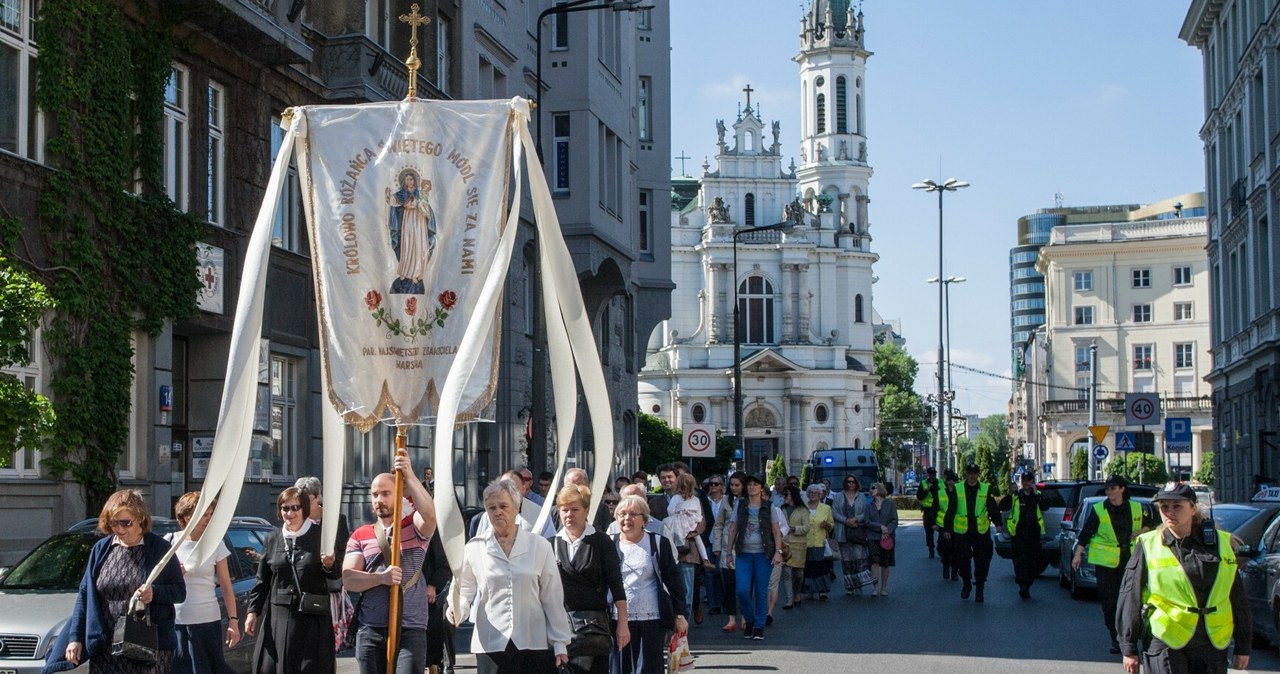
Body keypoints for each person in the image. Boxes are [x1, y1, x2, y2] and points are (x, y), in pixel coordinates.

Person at [1116, 482, 1252, 674]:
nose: (1169, 512)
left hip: (1211, 641)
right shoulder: (1147, 544)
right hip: (1166, 638)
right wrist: (1128, 646)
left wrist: (1243, 646)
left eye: (1177, 506)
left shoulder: (1221, 543)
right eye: (1164, 507)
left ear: (1193, 508)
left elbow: (1236, 597)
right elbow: (1130, 595)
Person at [50, 489, 186, 674]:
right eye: (114, 523)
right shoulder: (101, 549)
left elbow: (179, 591)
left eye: (126, 523)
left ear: (141, 518)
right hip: (105, 647)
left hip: (148, 647)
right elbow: (85, 595)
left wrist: (154, 593)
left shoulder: (159, 548)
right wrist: (75, 638)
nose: (120, 529)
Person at [448, 479, 572, 673]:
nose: (498, 512)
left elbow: (552, 597)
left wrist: (560, 642)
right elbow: (464, 590)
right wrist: (457, 609)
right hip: (491, 643)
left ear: (517, 507)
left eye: (503, 506)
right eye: (492, 507)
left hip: (533, 641)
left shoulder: (539, 546)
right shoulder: (474, 548)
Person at [342, 448, 438, 674]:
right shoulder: (361, 534)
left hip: (410, 626)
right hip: (371, 626)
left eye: (385, 493)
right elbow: (349, 578)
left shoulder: (414, 527)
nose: (379, 499)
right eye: (375, 494)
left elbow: (430, 516)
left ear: (399, 495)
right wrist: (381, 578)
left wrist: (410, 475)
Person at [246, 487, 340, 674]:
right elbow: (262, 580)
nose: (289, 513)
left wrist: (329, 565)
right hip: (279, 617)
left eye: (295, 508)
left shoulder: (321, 536)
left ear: (304, 509)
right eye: (284, 508)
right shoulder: (272, 538)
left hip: (311, 618)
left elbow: (335, 577)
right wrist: (252, 612)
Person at [1072, 474, 1155, 653]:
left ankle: (1132, 636)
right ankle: (1116, 637)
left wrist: (1141, 530)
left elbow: (1154, 526)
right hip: (1106, 565)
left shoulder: (1139, 508)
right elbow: (1086, 533)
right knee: (1110, 604)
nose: (1109, 491)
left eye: (1113, 488)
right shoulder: (1098, 509)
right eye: (1107, 488)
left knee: (1133, 602)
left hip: (1132, 562)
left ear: (1122, 489)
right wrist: (1078, 554)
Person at [553, 485, 629, 674]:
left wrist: (622, 624)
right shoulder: (550, 543)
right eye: (564, 510)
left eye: (575, 509)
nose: (569, 514)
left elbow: (617, 586)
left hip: (592, 629)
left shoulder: (602, 541)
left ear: (586, 511)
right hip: (559, 629)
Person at [609, 495, 687, 673]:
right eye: (622, 514)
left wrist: (680, 614)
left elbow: (674, 581)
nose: (627, 518)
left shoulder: (658, 543)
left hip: (651, 620)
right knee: (620, 668)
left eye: (633, 514)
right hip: (617, 620)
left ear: (644, 519)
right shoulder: (609, 544)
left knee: (648, 668)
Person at [169, 492, 240, 674]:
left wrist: (233, 621)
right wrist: (174, 573)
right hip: (176, 621)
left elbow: (225, 584)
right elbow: (157, 583)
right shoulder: (169, 542)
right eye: (204, 515)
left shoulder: (215, 544)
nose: (209, 519)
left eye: (211, 514)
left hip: (207, 621)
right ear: (187, 516)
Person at [724, 474, 785, 640]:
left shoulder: (769, 507)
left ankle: (759, 626)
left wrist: (778, 552)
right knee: (742, 590)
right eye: (749, 484)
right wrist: (729, 553)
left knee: (760, 591)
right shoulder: (740, 505)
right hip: (744, 553)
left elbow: (775, 530)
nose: (752, 487)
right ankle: (749, 619)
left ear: (761, 488)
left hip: (763, 554)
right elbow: (733, 529)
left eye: (755, 484)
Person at [943, 464, 1002, 603]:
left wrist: (998, 523)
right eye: (970, 473)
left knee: (981, 560)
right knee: (962, 559)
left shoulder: (985, 489)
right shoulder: (958, 489)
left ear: (978, 474)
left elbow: (992, 507)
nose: (972, 476)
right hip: (962, 531)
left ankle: (980, 588)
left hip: (980, 531)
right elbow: (951, 509)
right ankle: (967, 583)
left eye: (975, 473)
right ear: (966, 474)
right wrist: (946, 528)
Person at [663, 472, 708, 623]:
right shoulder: (675, 499)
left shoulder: (696, 500)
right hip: (673, 547)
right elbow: (670, 513)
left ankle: (684, 625)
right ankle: (674, 622)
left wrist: (693, 530)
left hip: (689, 550)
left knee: (688, 591)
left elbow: (701, 521)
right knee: (673, 589)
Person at [385, 168, 436, 294]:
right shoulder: (401, 193)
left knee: (419, 246)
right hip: (407, 221)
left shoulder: (421, 193)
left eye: (411, 179)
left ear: (415, 180)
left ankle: (417, 273)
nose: (409, 181)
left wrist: (424, 209)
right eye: (407, 179)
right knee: (407, 246)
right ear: (404, 181)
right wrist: (387, 196)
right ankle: (405, 271)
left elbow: (425, 206)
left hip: (419, 222)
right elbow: (393, 201)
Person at [1002, 472, 1048, 600]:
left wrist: (1037, 495)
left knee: (1033, 562)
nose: (1026, 483)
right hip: (1019, 534)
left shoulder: (1037, 495)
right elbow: (1003, 506)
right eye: (1024, 480)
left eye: (1028, 480)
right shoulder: (1016, 496)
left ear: (1032, 481)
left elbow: (1045, 506)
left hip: (1033, 534)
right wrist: (1010, 494)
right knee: (1020, 561)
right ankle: (1023, 586)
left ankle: (1027, 583)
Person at [713, 472, 744, 632]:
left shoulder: (749, 501)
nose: (734, 488)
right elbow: (718, 524)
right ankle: (731, 618)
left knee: (744, 587)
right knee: (729, 585)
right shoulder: (726, 500)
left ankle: (745, 617)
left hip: (745, 548)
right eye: (731, 485)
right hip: (727, 548)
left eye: (737, 485)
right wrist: (717, 546)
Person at [831, 475, 871, 595]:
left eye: (853, 482)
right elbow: (834, 512)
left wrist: (855, 519)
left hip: (857, 531)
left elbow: (865, 512)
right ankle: (849, 586)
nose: (851, 484)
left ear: (856, 483)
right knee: (847, 561)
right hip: (843, 532)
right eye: (848, 482)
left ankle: (859, 584)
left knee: (859, 559)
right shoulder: (838, 496)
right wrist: (846, 521)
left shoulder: (862, 496)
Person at [423, 533, 455, 674]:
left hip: (429, 594)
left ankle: (437, 666)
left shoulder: (431, 529)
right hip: (406, 594)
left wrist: (433, 585)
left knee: (433, 634)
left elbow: (444, 562)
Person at [700, 474, 729, 618]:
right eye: (711, 484)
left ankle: (725, 602)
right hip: (708, 541)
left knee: (722, 572)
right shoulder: (705, 502)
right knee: (709, 573)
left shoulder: (728, 501)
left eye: (716, 484)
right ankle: (714, 604)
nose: (713, 486)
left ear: (722, 486)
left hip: (724, 542)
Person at [864, 483, 898, 597]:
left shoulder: (890, 504)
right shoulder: (869, 506)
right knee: (874, 563)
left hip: (887, 538)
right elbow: (867, 521)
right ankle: (875, 588)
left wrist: (887, 530)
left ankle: (884, 587)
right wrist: (880, 527)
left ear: (880, 489)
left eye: (873, 488)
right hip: (873, 537)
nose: (871, 490)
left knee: (885, 563)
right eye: (870, 488)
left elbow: (894, 520)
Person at [779, 486, 810, 610]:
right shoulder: (781, 509)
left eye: (786, 495)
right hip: (785, 543)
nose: (784, 498)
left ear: (792, 496)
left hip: (799, 544)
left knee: (798, 574)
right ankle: (789, 599)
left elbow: (807, 527)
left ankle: (797, 592)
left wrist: (794, 529)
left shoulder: (803, 510)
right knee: (786, 573)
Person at [802, 484, 834, 601]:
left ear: (820, 495)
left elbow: (831, 524)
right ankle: (810, 590)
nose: (813, 495)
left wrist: (827, 525)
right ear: (808, 494)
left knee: (822, 567)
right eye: (811, 493)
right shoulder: (803, 508)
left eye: (816, 493)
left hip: (821, 542)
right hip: (807, 541)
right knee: (809, 567)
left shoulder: (826, 508)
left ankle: (823, 590)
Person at [937, 470, 961, 581]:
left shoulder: (960, 493)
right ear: (947, 482)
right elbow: (935, 508)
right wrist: (933, 523)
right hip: (943, 525)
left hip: (958, 525)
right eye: (950, 480)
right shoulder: (941, 493)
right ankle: (946, 567)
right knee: (945, 549)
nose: (952, 483)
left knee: (956, 550)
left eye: (954, 481)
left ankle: (955, 571)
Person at [917, 467, 941, 559]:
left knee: (942, 530)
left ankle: (940, 547)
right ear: (927, 475)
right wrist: (927, 489)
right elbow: (919, 497)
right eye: (931, 474)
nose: (932, 476)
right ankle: (931, 550)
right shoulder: (923, 483)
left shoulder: (940, 483)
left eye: (934, 474)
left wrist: (935, 488)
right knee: (929, 532)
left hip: (939, 510)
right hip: (928, 511)